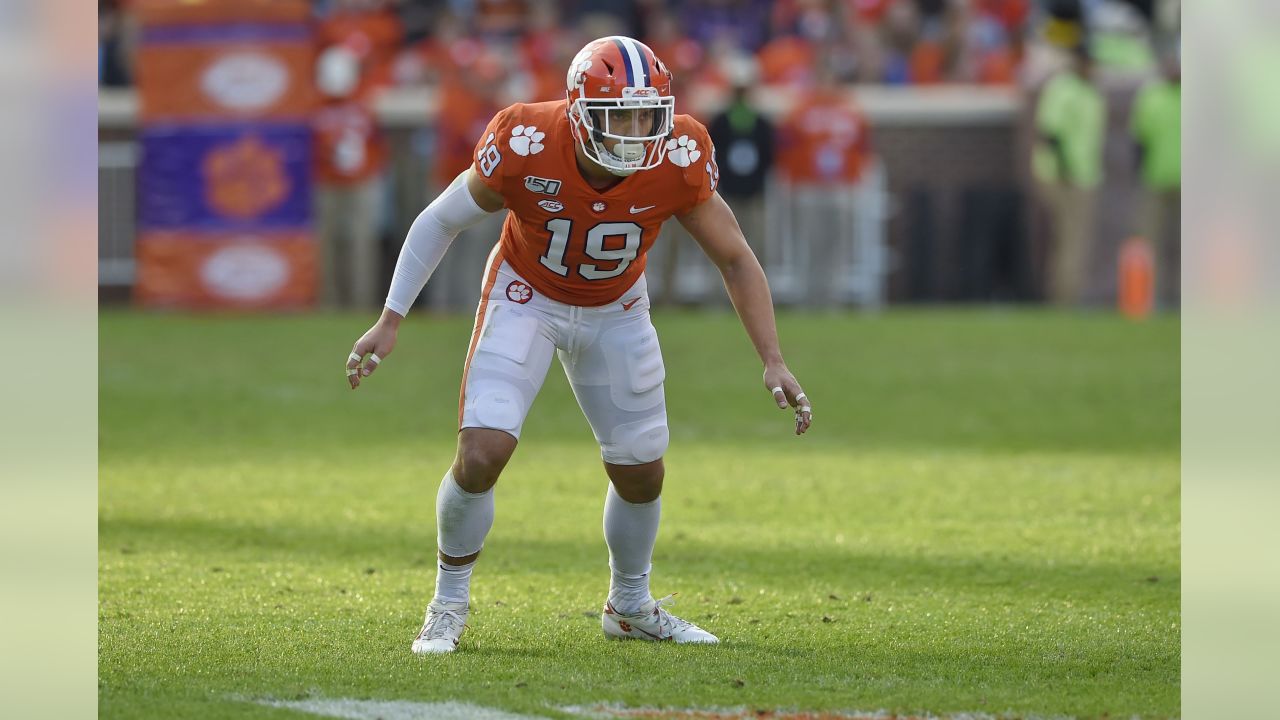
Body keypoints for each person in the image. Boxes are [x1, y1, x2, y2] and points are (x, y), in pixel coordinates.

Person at [343, 36, 814, 653]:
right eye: (620, 117)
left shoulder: (679, 151)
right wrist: (392, 317)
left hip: (616, 307)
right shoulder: (525, 138)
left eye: (648, 117)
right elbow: (441, 219)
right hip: (525, 296)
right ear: (578, 111)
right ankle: (448, 603)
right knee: (483, 451)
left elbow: (734, 257)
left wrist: (773, 359)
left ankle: (629, 604)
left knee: (642, 471)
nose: (636, 134)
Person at [1031, 44, 1105, 306]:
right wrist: (1065, 171)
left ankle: (1065, 295)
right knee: (1073, 238)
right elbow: (1051, 133)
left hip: (1083, 174)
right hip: (1067, 177)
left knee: (1070, 239)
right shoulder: (1063, 89)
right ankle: (1066, 298)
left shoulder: (1089, 92)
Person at [1130, 51, 1180, 309]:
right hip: (1156, 179)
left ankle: (1182, 297)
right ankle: (1156, 299)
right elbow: (1139, 140)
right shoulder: (1151, 97)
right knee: (1155, 242)